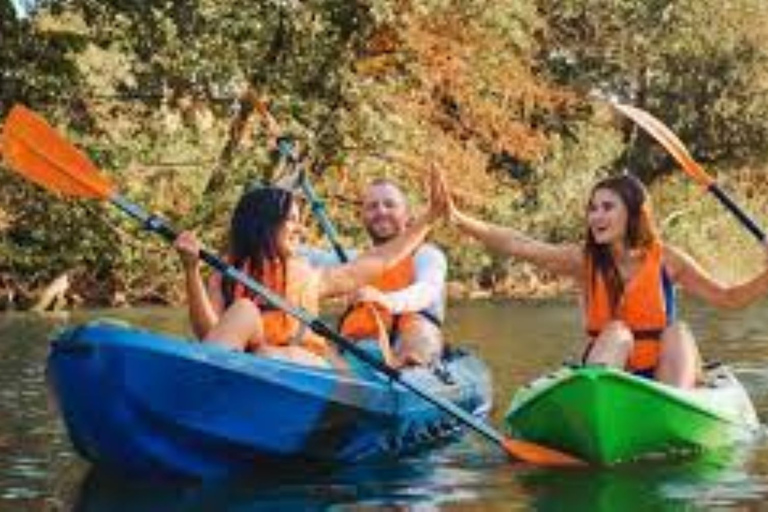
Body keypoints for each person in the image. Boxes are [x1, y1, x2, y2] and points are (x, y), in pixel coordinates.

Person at [437, 171, 768, 388]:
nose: (596, 216)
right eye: (593, 208)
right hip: (611, 373)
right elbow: (518, 244)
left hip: (664, 378)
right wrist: (458, 219)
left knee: (678, 331)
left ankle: (676, 411)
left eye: (608, 207)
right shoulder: (583, 260)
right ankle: (599, 402)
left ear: (634, 214)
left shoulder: (667, 259)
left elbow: (730, 298)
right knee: (617, 332)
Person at [174, 170, 446, 369]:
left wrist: (429, 218)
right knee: (244, 310)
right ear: (266, 224)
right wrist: (191, 271)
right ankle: (201, 390)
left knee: (266, 355)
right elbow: (209, 334)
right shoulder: (226, 275)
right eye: (291, 220)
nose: (300, 229)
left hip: (304, 364)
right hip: (245, 360)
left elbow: (381, 260)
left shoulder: (311, 276)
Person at [304, 178, 448, 368]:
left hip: (410, 340)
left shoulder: (427, 255)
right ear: (362, 216)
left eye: (389, 205)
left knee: (420, 331)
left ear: (406, 214)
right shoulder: (353, 260)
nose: (381, 211)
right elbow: (302, 253)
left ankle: (408, 368)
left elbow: (426, 291)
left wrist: (387, 300)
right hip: (360, 345)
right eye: (372, 207)